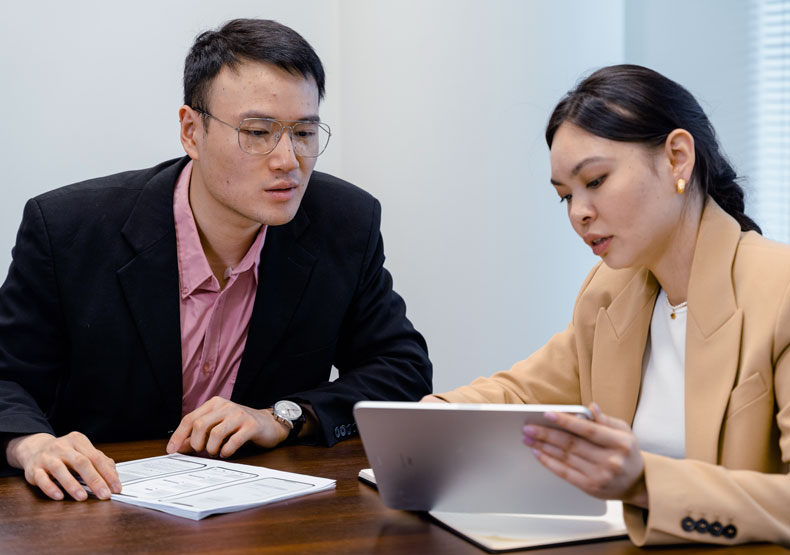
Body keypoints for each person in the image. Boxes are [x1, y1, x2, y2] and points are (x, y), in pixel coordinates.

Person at [0, 18, 431, 503]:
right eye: (258, 131)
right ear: (191, 131)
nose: (288, 159)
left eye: (304, 133)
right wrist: (30, 444)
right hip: (97, 503)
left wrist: (283, 417)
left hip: (265, 514)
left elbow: (402, 370)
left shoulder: (343, 222)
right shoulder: (69, 229)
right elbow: (7, 374)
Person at [426, 64, 790, 547]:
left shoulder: (779, 290)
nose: (579, 213)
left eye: (595, 181)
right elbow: (520, 394)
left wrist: (645, 483)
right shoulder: (611, 290)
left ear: (678, 158)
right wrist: (429, 417)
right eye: (565, 197)